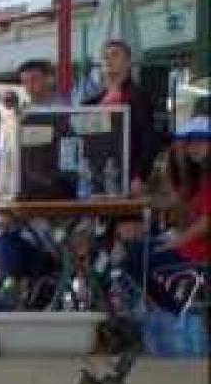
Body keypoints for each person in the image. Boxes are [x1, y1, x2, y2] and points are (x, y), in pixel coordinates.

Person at [119, 115, 210, 314]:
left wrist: (177, 241)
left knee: (135, 256)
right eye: (190, 141)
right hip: (189, 247)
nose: (194, 146)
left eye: (201, 140)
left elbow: (206, 222)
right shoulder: (199, 175)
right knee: (132, 253)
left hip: (197, 253)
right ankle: (175, 311)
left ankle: (176, 312)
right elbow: (177, 206)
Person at [82, 40, 159, 197]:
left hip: (128, 176)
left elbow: (149, 138)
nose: (109, 60)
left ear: (128, 62)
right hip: (96, 178)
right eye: (105, 57)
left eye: (115, 55)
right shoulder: (91, 102)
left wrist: (140, 175)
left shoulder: (138, 97)